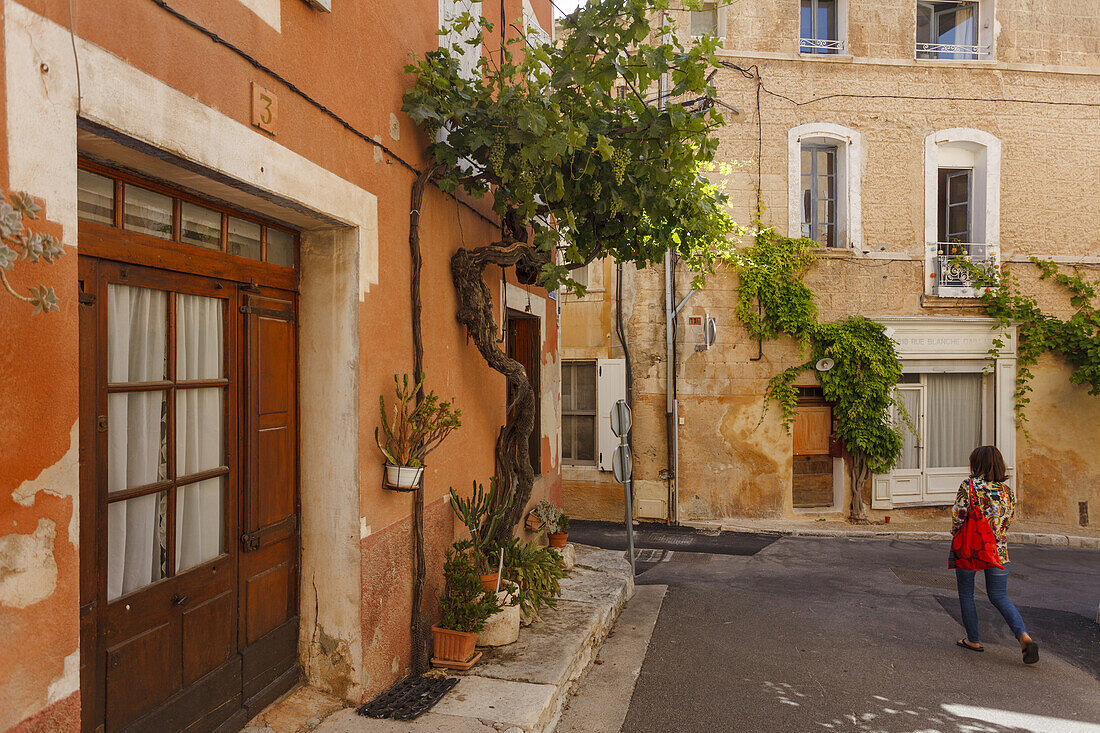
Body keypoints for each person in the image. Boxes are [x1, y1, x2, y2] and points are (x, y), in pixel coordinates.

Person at [951, 445, 1039, 664]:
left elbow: (958, 516)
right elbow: (1007, 522)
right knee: (999, 596)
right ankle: (1024, 636)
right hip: (997, 549)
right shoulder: (1008, 492)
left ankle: (973, 640)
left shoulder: (969, 486)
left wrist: (956, 534)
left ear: (976, 464)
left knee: (966, 593)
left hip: (970, 547)